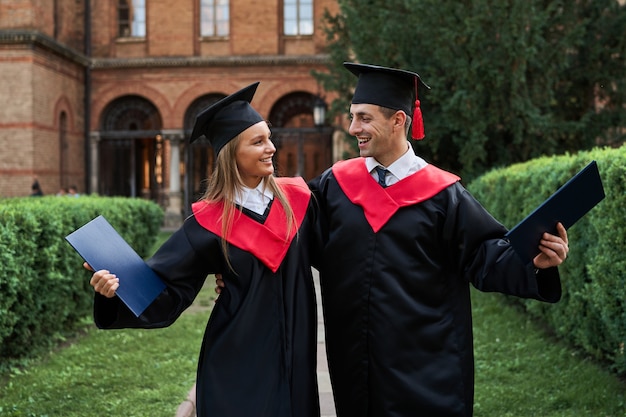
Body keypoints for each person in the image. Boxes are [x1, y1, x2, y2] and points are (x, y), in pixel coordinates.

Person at [306, 63, 569, 417]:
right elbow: (294, 234)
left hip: (424, 364)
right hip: (354, 361)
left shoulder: (442, 195)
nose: (354, 128)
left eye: (364, 118)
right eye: (352, 117)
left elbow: (484, 255)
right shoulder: (335, 184)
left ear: (398, 120)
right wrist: (237, 267)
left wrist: (535, 265)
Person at [86, 82, 320, 417]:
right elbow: (165, 291)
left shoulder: (299, 199)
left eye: (269, 137)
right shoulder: (208, 223)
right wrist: (112, 291)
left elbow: (340, 249)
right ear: (231, 153)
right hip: (237, 358)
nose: (271, 148)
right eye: (258, 142)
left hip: (296, 351)